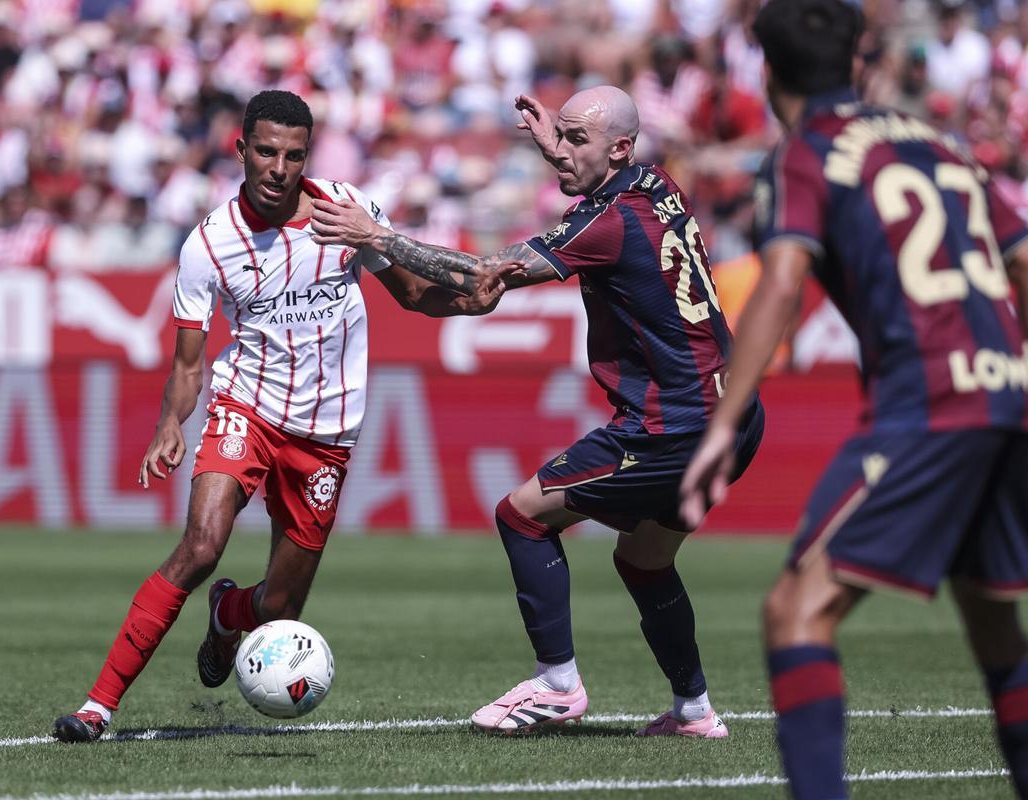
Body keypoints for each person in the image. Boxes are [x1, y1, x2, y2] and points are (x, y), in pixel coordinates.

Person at [311, 85, 765, 736]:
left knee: (521, 516)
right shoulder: (658, 184)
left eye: (579, 140)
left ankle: (557, 683)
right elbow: (592, 186)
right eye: (566, 137)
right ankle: (694, 711)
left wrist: (377, 235)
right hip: (737, 415)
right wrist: (563, 150)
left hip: (679, 425)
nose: (564, 151)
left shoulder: (604, 223)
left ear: (621, 148)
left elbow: (480, 276)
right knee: (642, 560)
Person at [52, 90, 502, 743]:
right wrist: (170, 424)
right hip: (248, 407)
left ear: (306, 157)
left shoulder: (347, 215)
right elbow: (187, 363)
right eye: (266, 150)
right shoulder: (209, 245)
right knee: (201, 546)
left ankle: (229, 613)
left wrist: (468, 304)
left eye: (293, 154)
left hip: (326, 432)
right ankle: (98, 706)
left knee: (281, 607)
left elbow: (411, 294)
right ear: (240, 149)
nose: (278, 166)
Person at [679, 1, 1028, 797]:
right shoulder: (940, 142)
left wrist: (721, 423)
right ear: (861, 64)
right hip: (1006, 392)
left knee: (795, 613)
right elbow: (1023, 263)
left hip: (929, 400)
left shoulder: (807, 153)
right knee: (995, 623)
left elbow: (784, 282)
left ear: (767, 74)